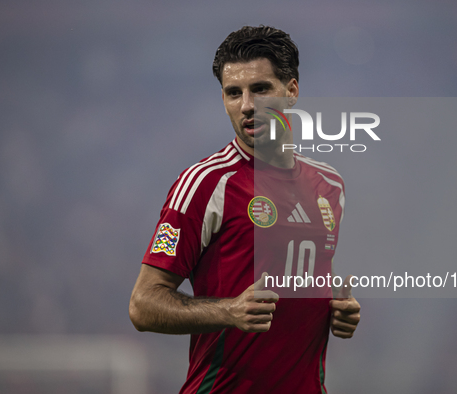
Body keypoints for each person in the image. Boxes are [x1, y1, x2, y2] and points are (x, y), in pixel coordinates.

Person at [129, 25, 361, 394]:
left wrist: (336, 309)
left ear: (292, 91)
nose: (247, 105)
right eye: (233, 93)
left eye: (261, 89)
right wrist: (227, 311)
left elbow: (302, 274)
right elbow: (143, 305)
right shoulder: (206, 183)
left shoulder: (330, 185)